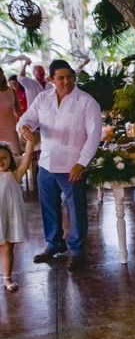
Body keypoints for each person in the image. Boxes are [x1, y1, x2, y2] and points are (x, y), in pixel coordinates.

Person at [16, 60, 102, 271]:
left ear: (74, 76)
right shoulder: (43, 99)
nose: (66, 81)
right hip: (46, 164)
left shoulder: (87, 102)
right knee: (48, 207)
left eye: (69, 77)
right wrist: (25, 128)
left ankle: (77, 251)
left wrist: (81, 163)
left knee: (76, 209)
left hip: (72, 166)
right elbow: (27, 118)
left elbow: (94, 136)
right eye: (60, 78)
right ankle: (54, 244)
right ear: (51, 79)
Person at [0, 139, 34, 292]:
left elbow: (26, 161)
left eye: (4, 158)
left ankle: (7, 278)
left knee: (7, 248)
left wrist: (30, 143)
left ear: (10, 159)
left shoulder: (14, 175)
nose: (0, 161)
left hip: (8, 219)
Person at [0, 67, 22, 156]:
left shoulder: (11, 90)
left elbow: (18, 110)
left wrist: (24, 125)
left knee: (15, 154)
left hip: (11, 127)